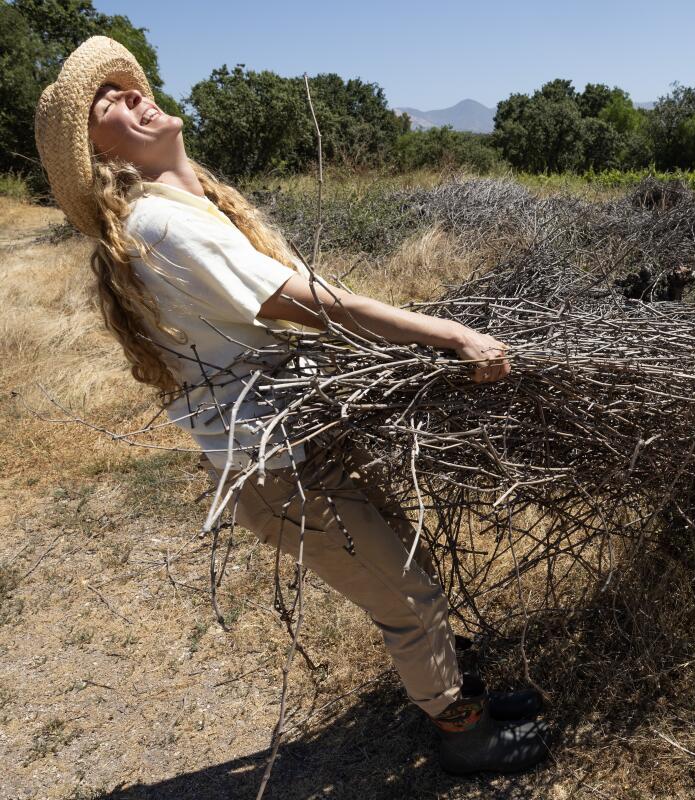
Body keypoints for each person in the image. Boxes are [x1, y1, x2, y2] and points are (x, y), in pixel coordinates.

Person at [33, 35, 548, 775]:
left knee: (408, 567)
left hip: (304, 441)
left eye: (123, 84)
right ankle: (463, 734)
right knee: (406, 593)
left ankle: (457, 687)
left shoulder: (197, 204)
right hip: (279, 465)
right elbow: (308, 303)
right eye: (104, 104)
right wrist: (448, 334)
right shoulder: (161, 226)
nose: (128, 95)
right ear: (99, 159)